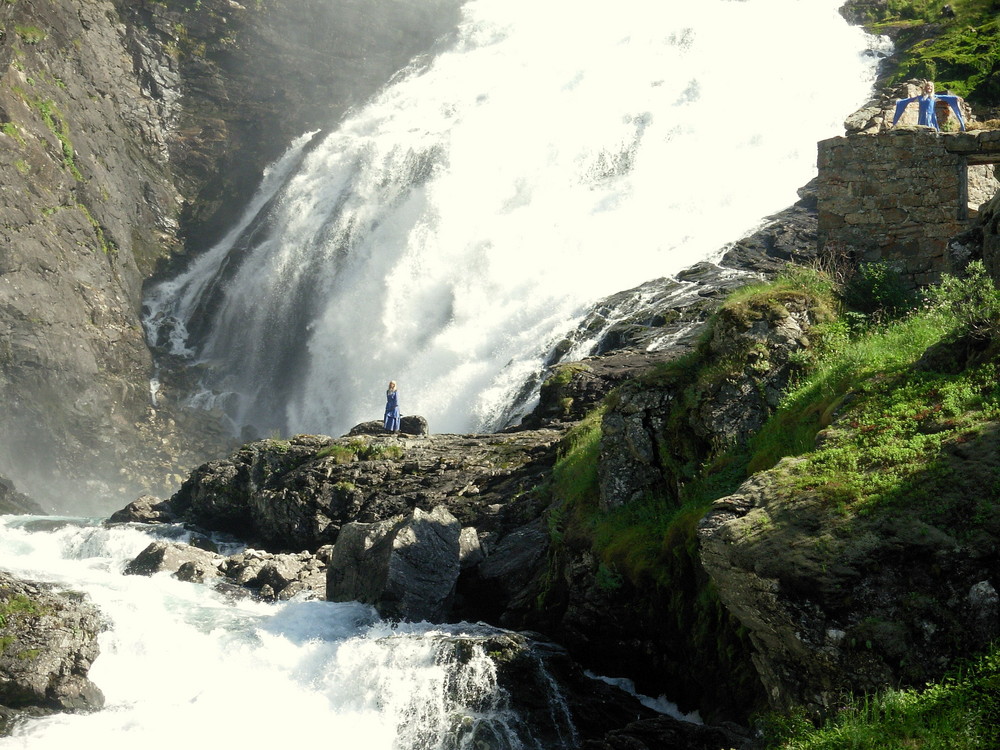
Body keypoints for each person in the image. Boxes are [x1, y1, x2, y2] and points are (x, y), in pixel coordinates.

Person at [892, 80, 966, 131]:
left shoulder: (934, 97)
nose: (929, 88)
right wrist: (899, 102)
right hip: (922, 117)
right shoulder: (920, 97)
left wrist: (956, 98)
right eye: (928, 86)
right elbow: (908, 100)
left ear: (932, 88)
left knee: (932, 130)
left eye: (931, 86)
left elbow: (945, 97)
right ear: (925, 87)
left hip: (931, 117)